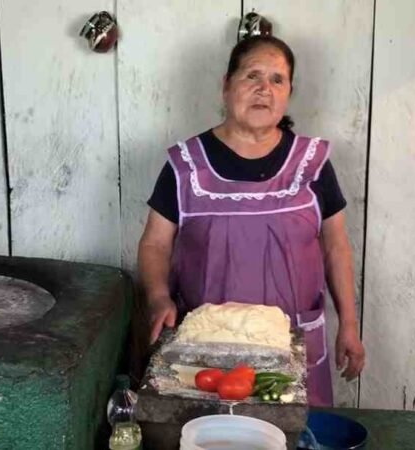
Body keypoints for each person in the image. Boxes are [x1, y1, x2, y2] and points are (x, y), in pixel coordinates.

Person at [137, 34, 365, 406]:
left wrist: (349, 326)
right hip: (207, 347)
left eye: (277, 79)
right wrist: (158, 297)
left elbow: (335, 247)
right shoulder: (186, 165)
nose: (264, 89)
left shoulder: (312, 163)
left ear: (289, 92)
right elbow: (155, 243)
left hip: (292, 346)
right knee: (211, 430)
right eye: (252, 76)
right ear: (226, 85)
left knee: (293, 430)